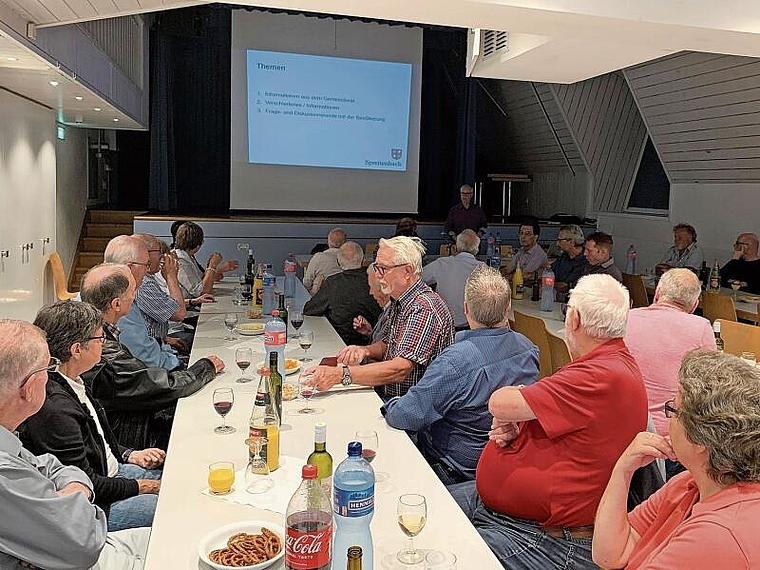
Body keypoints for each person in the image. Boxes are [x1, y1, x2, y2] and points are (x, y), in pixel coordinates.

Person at [449, 274, 648, 570]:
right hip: (511, 516)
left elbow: (499, 402)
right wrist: (521, 422)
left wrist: (515, 403)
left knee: (432, 551)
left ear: (573, 319)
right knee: (418, 503)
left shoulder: (600, 375)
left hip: (547, 538)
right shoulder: (609, 364)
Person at [0, 319, 150, 570]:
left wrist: (68, 497)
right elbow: (85, 544)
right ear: (27, 389)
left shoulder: (8, 435)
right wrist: (76, 497)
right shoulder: (5, 472)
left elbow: (51, 466)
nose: (51, 378)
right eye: (47, 369)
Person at [592, 350, 760, 569]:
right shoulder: (688, 484)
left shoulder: (717, 536)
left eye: (673, 409)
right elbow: (610, 555)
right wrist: (622, 471)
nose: (668, 417)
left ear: (699, 440)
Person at [383, 266, 538, 484]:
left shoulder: (455, 362)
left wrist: (391, 403)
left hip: (452, 470)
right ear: (508, 308)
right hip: (505, 462)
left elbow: (403, 416)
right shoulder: (529, 349)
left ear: (466, 309)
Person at [20, 301, 164, 531]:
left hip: (111, 473)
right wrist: (142, 486)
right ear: (77, 349)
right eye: (100, 339)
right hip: (95, 506)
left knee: (175, 476)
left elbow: (98, 438)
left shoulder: (74, 380)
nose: (104, 344)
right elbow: (85, 483)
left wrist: (130, 454)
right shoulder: (56, 410)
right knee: (168, 506)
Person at [80, 263, 224, 449]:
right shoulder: (104, 353)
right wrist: (207, 366)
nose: (135, 297)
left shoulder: (96, 330)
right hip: (133, 437)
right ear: (116, 304)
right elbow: (161, 386)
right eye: (132, 292)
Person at [306, 236, 455, 399]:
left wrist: (341, 375)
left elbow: (400, 369)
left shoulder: (423, 308)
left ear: (407, 271)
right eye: (376, 267)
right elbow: (389, 344)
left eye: (383, 268)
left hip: (404, 408)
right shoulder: (401, 300)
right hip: (389, 397)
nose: (377, 275)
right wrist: (364, 350)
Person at [624, 270, 715, 437]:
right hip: (668, 436)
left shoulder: (626, 317)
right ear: (694, 305)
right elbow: (710, 386)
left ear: (657, 294)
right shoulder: (701, 327)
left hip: (619, 422)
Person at [103, 235, 183, 371]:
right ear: (129, 267)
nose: (147, 270)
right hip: (143, 375)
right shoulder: (120, 301)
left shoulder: (97, 288)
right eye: (145, 265)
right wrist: (181, 364)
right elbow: (149, 360)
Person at [303, 242, 382, 346]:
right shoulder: (375, 280)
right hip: (372, 342)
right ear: (363, 260)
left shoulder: (333, 283)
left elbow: (309, 309)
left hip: (339, 342)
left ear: (338, 262)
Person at [133, 234, 188, 353]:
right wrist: (171, 276)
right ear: (144, 253)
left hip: (158, 342)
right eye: (159, 252)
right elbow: (179, 314)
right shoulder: (143, 283)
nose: (162, 256)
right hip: (152, 354)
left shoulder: (148, 278)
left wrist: (164, 339)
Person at [422, 229, 485, 330]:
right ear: (477, 250)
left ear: (456, 248)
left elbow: (417, 279)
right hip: (472, 329)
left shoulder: (441, 264)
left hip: (442, 327)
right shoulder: (483, 269)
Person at [173, 221, 239, 299]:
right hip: (185, 307)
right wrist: (212, 265)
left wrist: (220, 269)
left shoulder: (187, 256)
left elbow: (203, 280)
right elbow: (202, 292)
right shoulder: (180, 260)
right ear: (198, 245)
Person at [353, 265, 392, 344]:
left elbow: (385, 351)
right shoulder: (386, 309)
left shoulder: (394, 314)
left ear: (384, 288)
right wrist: (369, 332)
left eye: (372, 287)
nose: (370, 292)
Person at [303, 228, 348, 294]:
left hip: (319, 298)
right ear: (345, 243)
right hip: (343, 298)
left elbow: (307, 282)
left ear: (328, 241)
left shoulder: (319, 257)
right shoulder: (351, 259)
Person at [552, 224, 588, 292]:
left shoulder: (585, 261)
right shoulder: (564, 256)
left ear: (571, 242)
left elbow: (565, 286)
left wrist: (548, 284)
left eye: (560, 240)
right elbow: (550, 271)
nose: (557, 244)